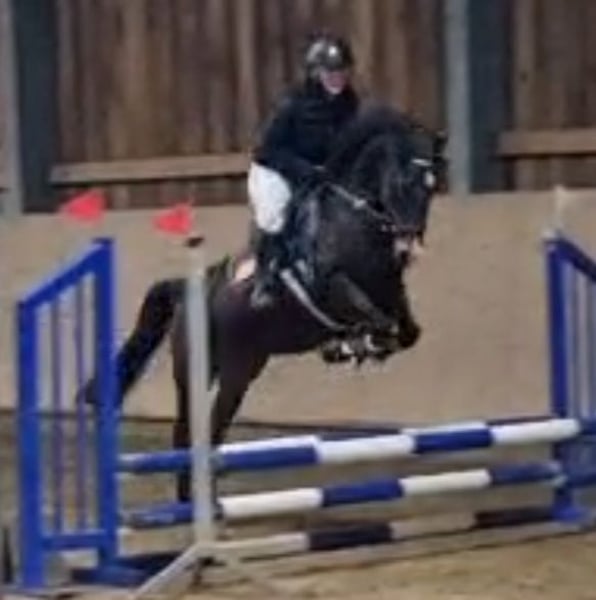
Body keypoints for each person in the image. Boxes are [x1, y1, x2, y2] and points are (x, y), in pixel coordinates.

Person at [248, 32, 360, 308]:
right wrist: (305, 170)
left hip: (320, 173)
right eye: (330, 72)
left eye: (342, 72)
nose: (337, 78)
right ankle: (265, 279)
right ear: (315, 73)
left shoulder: (349, 103)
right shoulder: (293, 104)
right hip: (275, 171)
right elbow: (268, 150)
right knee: (274, 217)